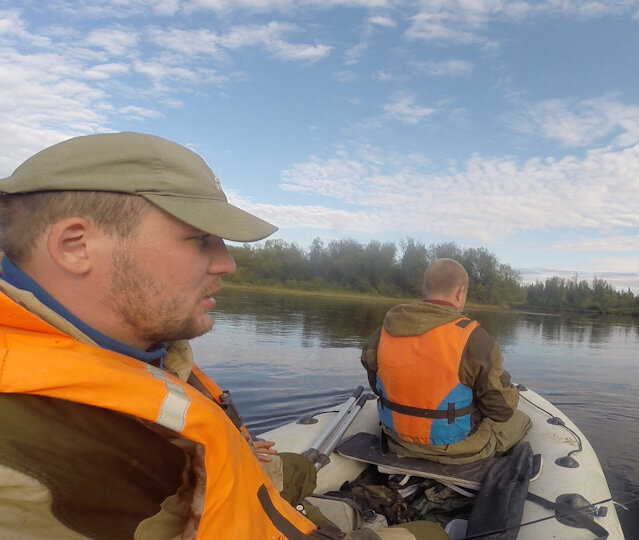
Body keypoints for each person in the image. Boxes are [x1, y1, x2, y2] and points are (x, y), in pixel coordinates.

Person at [0, 132, 447, 540]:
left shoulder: (142, 350)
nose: (227, 264)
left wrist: (240, 446)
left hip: (257, 504)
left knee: (305, 474)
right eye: (199, 239)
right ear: (75, 246)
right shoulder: (24, 461)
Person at [361, 258, 532, 465]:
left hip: (397, 439)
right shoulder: (475, 339)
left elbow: (376, 385)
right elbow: (500, 410)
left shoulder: (383, 332)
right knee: (522, 420)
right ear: (460, 292)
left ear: (425, 288)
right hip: (455, 448)